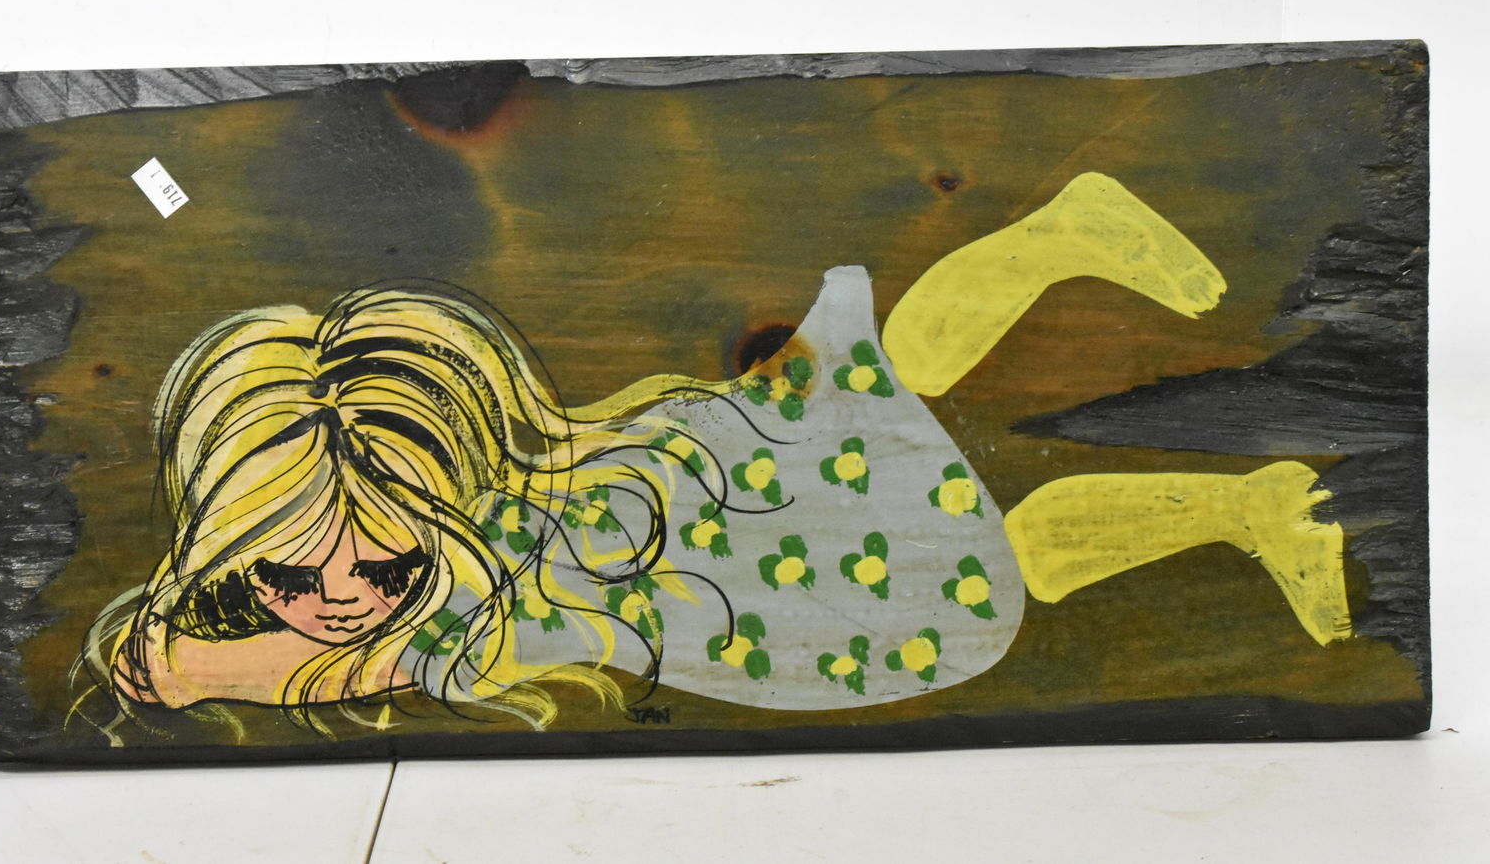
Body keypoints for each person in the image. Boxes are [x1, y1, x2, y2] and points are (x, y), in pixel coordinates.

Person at [79, 173, 1350, 734]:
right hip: (766, 589)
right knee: (985, 569)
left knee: (894, 378)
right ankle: (1244, 506)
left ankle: (1055, 236)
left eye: (375, 563)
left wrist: (194, 668)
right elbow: (318, 651)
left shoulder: (460, 584)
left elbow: (319, 662)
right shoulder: (423, 602)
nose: (340, 598)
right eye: (289, 577)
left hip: (738, 516)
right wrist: (191, 653)